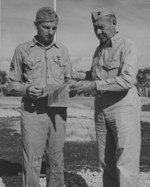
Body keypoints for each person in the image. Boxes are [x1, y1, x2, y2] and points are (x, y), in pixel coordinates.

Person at [70, 7, 141, 187]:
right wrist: (75, 76)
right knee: (105, 161)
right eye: (95, 28)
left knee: (126, 162)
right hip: (101, 109)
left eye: (101, 27)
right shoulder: (98, 50)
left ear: (114, 23)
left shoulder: (127, 45)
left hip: (123, 108)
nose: (98, 32)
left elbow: (127, 80)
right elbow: (96, 76)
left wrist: (93, 85)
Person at [7, 6, 73, 187]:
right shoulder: (22, 50)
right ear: (36, 25)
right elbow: (11, 84)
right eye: (46, 27)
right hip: (33, 111)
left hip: (58, 111)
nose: (51, 32)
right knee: (32, 158)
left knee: (56, 157)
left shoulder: (63, 50)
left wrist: (73, 87)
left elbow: (69, 80)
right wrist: (27, 90)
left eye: (54, 28)